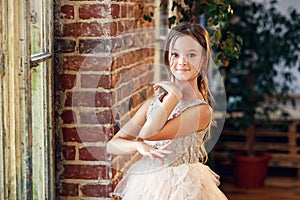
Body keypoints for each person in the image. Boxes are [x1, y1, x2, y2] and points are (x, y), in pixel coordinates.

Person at [106, 22, 228, 200]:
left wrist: (174, 95)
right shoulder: (154, 103)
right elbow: (112, 145)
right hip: (147, 184)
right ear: (167, 57)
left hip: (183, 187)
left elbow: (149, 133)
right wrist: (136, 145)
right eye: (175, 54)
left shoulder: (201, 111)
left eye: (191, 55)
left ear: (203, 60)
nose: (181, 62)